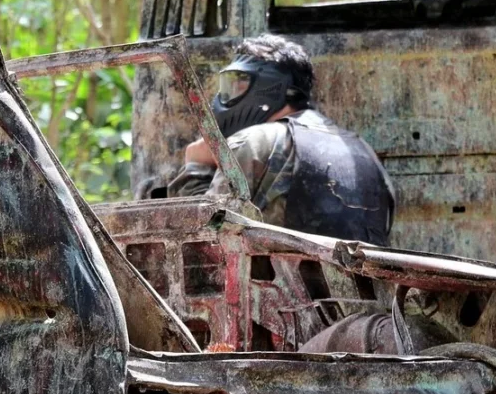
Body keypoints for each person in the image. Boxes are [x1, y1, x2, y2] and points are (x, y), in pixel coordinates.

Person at [168, 34, 395, 245]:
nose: (225, 97)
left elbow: (200, 240)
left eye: (240, 85)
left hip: (280, 288)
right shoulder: (363, 150)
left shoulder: (254, 142)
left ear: (270, 86)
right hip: (362, 288)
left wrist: (195, 166)